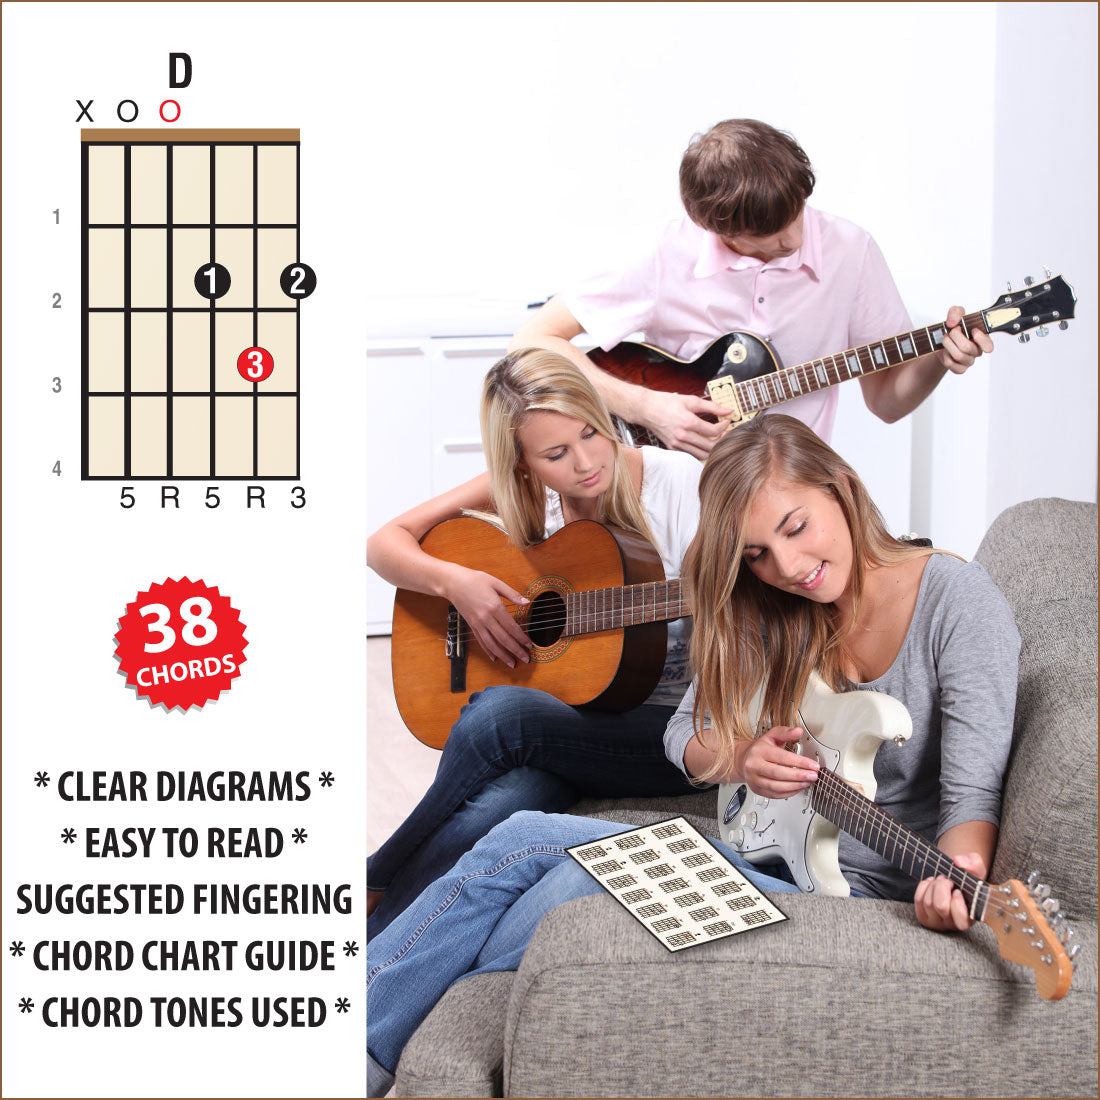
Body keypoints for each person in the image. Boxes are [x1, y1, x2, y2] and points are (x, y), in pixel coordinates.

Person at [366, 414, 1019, 1095]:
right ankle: (387, 1046)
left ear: (842, 488)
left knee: (546, 865)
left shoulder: (955, 601)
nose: (787, 567)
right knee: (536, 863)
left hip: (850, 899)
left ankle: (366, 1036)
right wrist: (741, 759)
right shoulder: (775, 601)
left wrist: (958, 875)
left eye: (795, 528)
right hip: (767, 854)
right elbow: (685, 735)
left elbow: (973, 798)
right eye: (757, 553)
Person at [366, 347, 703, 931]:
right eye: (555, 454)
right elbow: (382, 543)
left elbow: (749, 619)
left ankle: (373, 875)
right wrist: (455, 582)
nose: (586, 462)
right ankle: (366, 955)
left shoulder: (679, 488)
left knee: (502, 713)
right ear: (520, 463)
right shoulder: (525, 492)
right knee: (497, 807)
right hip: (579, 717)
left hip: (675, 732)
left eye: (593, 433)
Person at [511, 119, 994, 458]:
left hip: (794, 486)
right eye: (771, 236)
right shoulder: (665, 252)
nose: (795, 239)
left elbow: (887, 403)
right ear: (717, 229)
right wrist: (650, 408)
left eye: (797, 214)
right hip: (680, 486)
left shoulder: (851, 249)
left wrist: (938, 359)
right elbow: (532, 341)